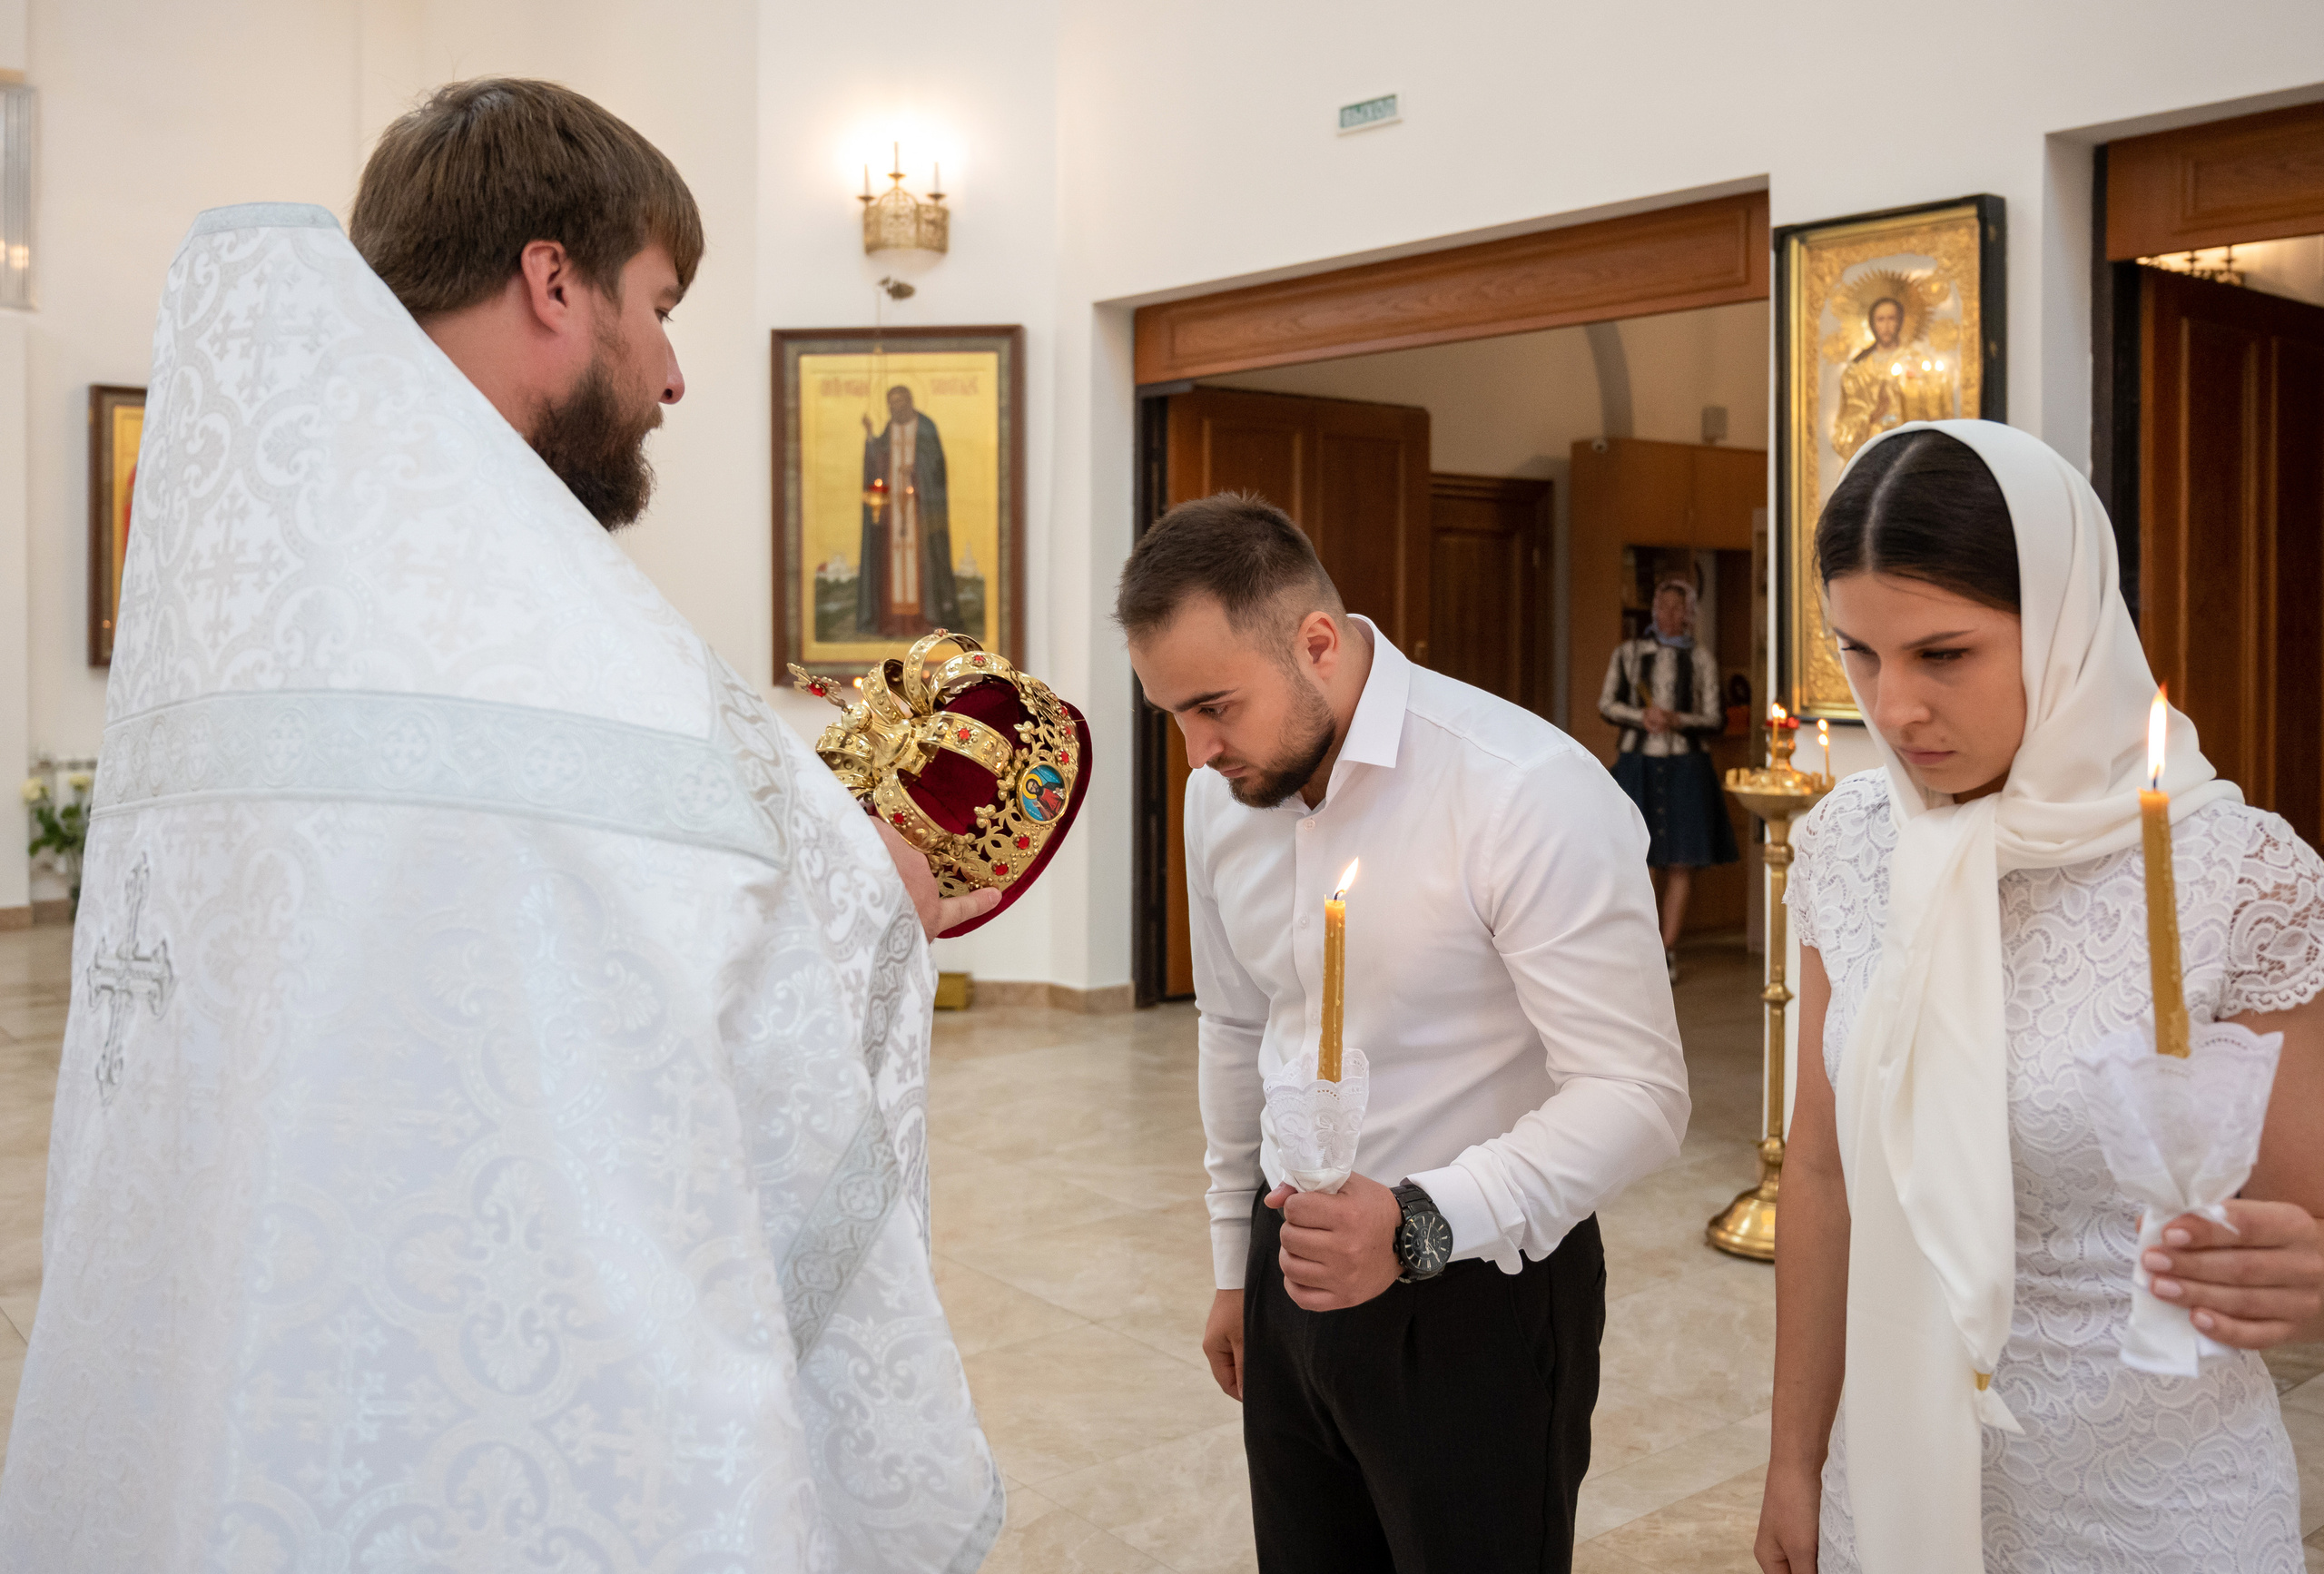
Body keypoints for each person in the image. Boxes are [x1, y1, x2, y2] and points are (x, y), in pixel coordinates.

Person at [0, 79, 1004, 1570]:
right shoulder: (557, 652)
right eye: (658, 305)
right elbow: (750, 953)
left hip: (240, 1417)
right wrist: (872, 883)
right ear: (554, 279)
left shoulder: (261, 604)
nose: (671, 373)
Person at [1755, 422, 2324, 1574]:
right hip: (1900, 1474)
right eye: (1858, 653)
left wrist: (2303, 1273)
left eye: (1943, 654)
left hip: (2155, 1498)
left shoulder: (2236, 874)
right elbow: (1820, 1173)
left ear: (2064, 624)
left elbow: (2300, 1224)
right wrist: (1794, 1459)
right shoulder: (1849, 845)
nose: (1893, 706)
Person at [1118, 494, 1690, 1573]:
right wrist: (1233, 1265)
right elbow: (1239, 1024)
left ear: (1317, 644)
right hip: (1291, 1258)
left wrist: (1418, 1221)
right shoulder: (1223, 795)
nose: (1196, 753)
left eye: (1213, 707)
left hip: (1476, 1287)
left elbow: (1640, 1093)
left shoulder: (1526, 791)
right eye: (1172, 716)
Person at [1598, 576, 1738, 980]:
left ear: (1690, 614)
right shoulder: (1627, 654)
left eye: (1679, 608)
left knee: (1680, 861)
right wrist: (1642, 716)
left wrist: (1676, 719)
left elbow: (1715, 719)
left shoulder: (1702, 659)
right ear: (1653, 610)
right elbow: (1606, 704)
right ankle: (1637, 949)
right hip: (1637, 764)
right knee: (1638, 858)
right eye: (1663, 606)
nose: (1669, 615)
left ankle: (1665, 951)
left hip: (1686, 767)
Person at [858, 383, 962, 637]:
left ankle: (926, 619)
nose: (895, 407)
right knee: (892, 561)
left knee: (922, 560)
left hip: (919, 511)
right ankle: (893, 621)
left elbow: (936, 467)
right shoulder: (889, 429)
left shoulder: (926, 427)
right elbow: (879, 461)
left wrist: (915, 469)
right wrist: (871, 436)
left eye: (900, 402)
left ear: (910, 401)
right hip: (893, 513)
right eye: (891, 403)